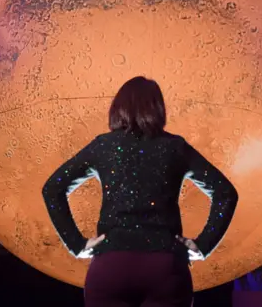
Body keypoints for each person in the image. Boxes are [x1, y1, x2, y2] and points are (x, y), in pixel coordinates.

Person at [42, 76, 239, 307]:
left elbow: (53, 188)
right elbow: (225, 192)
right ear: (158, 109)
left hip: (110, 266)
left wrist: (76, 243)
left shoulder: (103, 145)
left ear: (117, 108)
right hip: (166, 267)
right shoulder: (175, 147)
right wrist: (203, 245)